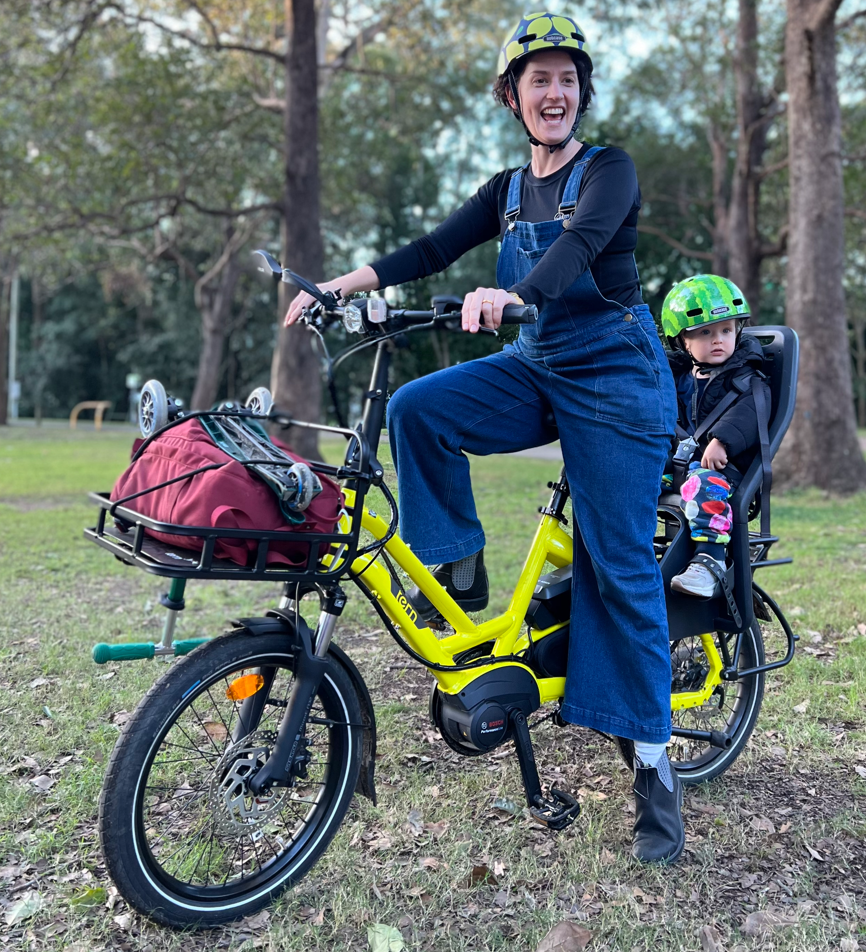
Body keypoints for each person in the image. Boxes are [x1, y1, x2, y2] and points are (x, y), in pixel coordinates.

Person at [284, 12, 683, 864]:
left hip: (616, 380)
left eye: (567, 78)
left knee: (614, 566)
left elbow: (578, 248)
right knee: (418, 410)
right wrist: (332, 283)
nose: (556, 91)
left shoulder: (606, 169)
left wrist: (513, 295)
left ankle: (652, 764)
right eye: (538, 79)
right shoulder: (506, 190)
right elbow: (428, 249)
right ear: (511, 96)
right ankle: (457, 574)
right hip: (538, 365)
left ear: (580, 93)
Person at [659, 274, 770, 599]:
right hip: (678, 466)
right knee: (632, 478)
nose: (718, 339)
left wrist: (722, 439)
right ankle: (627, 555)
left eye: (725, 330)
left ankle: (710, 563)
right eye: (705, 333)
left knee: (703, 484)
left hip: (724, 470)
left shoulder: (746, 379)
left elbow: (750, 414)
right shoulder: (677, 379)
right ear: (682, 341)